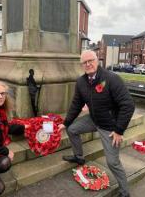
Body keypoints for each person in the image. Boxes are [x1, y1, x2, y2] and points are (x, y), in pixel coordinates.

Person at [58, 50, 135, 197]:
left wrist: (119, 130)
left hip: (110, 127)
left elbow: (128, 105)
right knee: (72, 129)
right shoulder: (81, 82)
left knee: (112, 162)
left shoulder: (112, 78)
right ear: (82, 65)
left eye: (90, 60)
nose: (88, 64)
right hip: (94, 119)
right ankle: (79, 157)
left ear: (97, 60)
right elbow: (76, 104)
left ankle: (125, 193)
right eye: (84, 62)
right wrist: (66, 123)